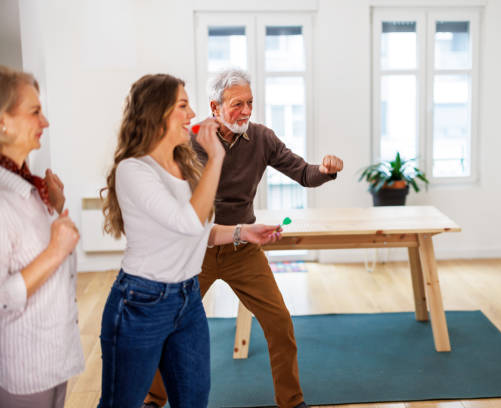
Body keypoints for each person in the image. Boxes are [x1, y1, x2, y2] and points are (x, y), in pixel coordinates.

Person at [143, 68, 343, 408]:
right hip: (195, 250)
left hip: (242, 249)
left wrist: (325, 170)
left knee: (279, 324)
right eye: (238, 104)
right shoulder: (188, 140)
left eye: (250, 103)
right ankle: (152, 399)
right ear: (214, 106)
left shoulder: (262, 138)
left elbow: (303, 173)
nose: (247, 112)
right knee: (169, 325)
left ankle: (292, 402)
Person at [98, 73, 281, 408]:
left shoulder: (183, 164)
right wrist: (217, 157)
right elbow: (187, 222)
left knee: (194, 400)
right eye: (183, 105)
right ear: (157, 113)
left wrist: (241, 232)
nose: (192, 113)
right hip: (141, 301)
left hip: (187, 299)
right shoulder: (134, 170)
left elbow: (199, 232)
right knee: (120, 403)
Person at [0, 65, 84, 407]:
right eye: (35, 112)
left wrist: (54, 206)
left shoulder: (29, 187)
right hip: (25, 372)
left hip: (50, 360)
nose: (45, 122)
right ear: (2, 121)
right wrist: (54, 250)